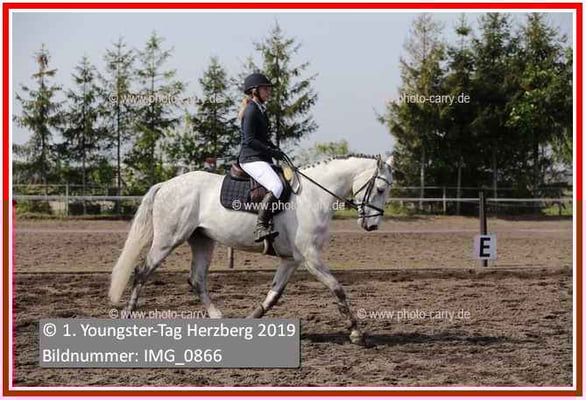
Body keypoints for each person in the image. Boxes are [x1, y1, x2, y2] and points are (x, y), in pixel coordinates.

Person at [237, 73, 287, 243]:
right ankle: (261, 227)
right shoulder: (251, 110)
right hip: (251, 158)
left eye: (268, 89)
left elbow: (263, 138)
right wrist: (271, 151)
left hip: (261, 158)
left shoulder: (260, 109)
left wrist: (275, 150)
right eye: (265, 89)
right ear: (254, 91)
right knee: (276, 186)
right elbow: (249, 140)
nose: (268, 92)